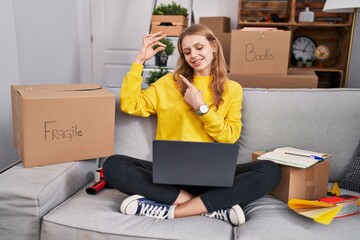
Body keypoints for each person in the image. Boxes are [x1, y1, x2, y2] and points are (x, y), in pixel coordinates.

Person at [103, 24, 280, 226]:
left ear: (213, 46)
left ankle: (173, 211)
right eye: (187, 52)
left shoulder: (232, 90)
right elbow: (130, 104)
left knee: (269, 170)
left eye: (199, 47)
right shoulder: (169, 83)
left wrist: (201, 108)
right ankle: (210, 208)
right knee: (113, 165)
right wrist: (139, 60)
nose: (193, 55)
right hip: (171, 178)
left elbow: (229, 136)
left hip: (215, 178)